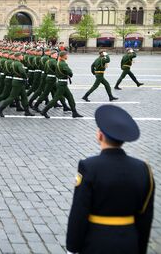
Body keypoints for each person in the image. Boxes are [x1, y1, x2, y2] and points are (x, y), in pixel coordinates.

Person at [66, 105, 154, 254]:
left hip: (96, 242)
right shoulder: (143, 169)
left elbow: (79, 211)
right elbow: (146, 216)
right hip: (129, 242)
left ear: (100, 135)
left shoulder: (89, 166)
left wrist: (72, 247)